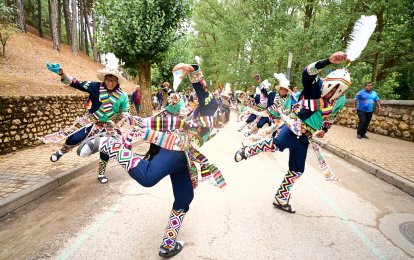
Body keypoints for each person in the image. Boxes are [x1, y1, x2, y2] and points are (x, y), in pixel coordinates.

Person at [76, 62, 230, 258]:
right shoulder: (210, 109)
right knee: (148, 178)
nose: (221, 118)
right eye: (222, 115)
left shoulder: (210, 124)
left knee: (185, 197)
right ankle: (109, 144)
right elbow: (203, 92)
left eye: (224, 119)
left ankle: (168, 244)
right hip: (176, 146)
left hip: (185, 159)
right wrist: (194, 69)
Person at [234, 52, 350, 213]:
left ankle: (281, 198)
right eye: (332, 88)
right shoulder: (315, 87)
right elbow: (307, 72)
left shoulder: (340, 100)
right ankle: (247, 151)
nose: (332, 93)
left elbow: (332, 115)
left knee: (297, 170)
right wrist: (328, 61)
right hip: (293, 126)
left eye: (338, 90)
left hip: (305, 138)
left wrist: (324, 129)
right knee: (276, 144)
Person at [45, 54, 131, 184]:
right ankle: (62, 151)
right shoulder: (95, 86)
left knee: (106, 149)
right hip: (91, 121)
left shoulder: (123, 95)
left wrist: (120, 122)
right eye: (108, 79)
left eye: (113, 80)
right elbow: (77, 83)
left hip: (108, 126)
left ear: (117, 81)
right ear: (105, 79)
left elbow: (126, 112)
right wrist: (62, 74)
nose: (110, 82)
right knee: (74, 137)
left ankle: (101, 173)